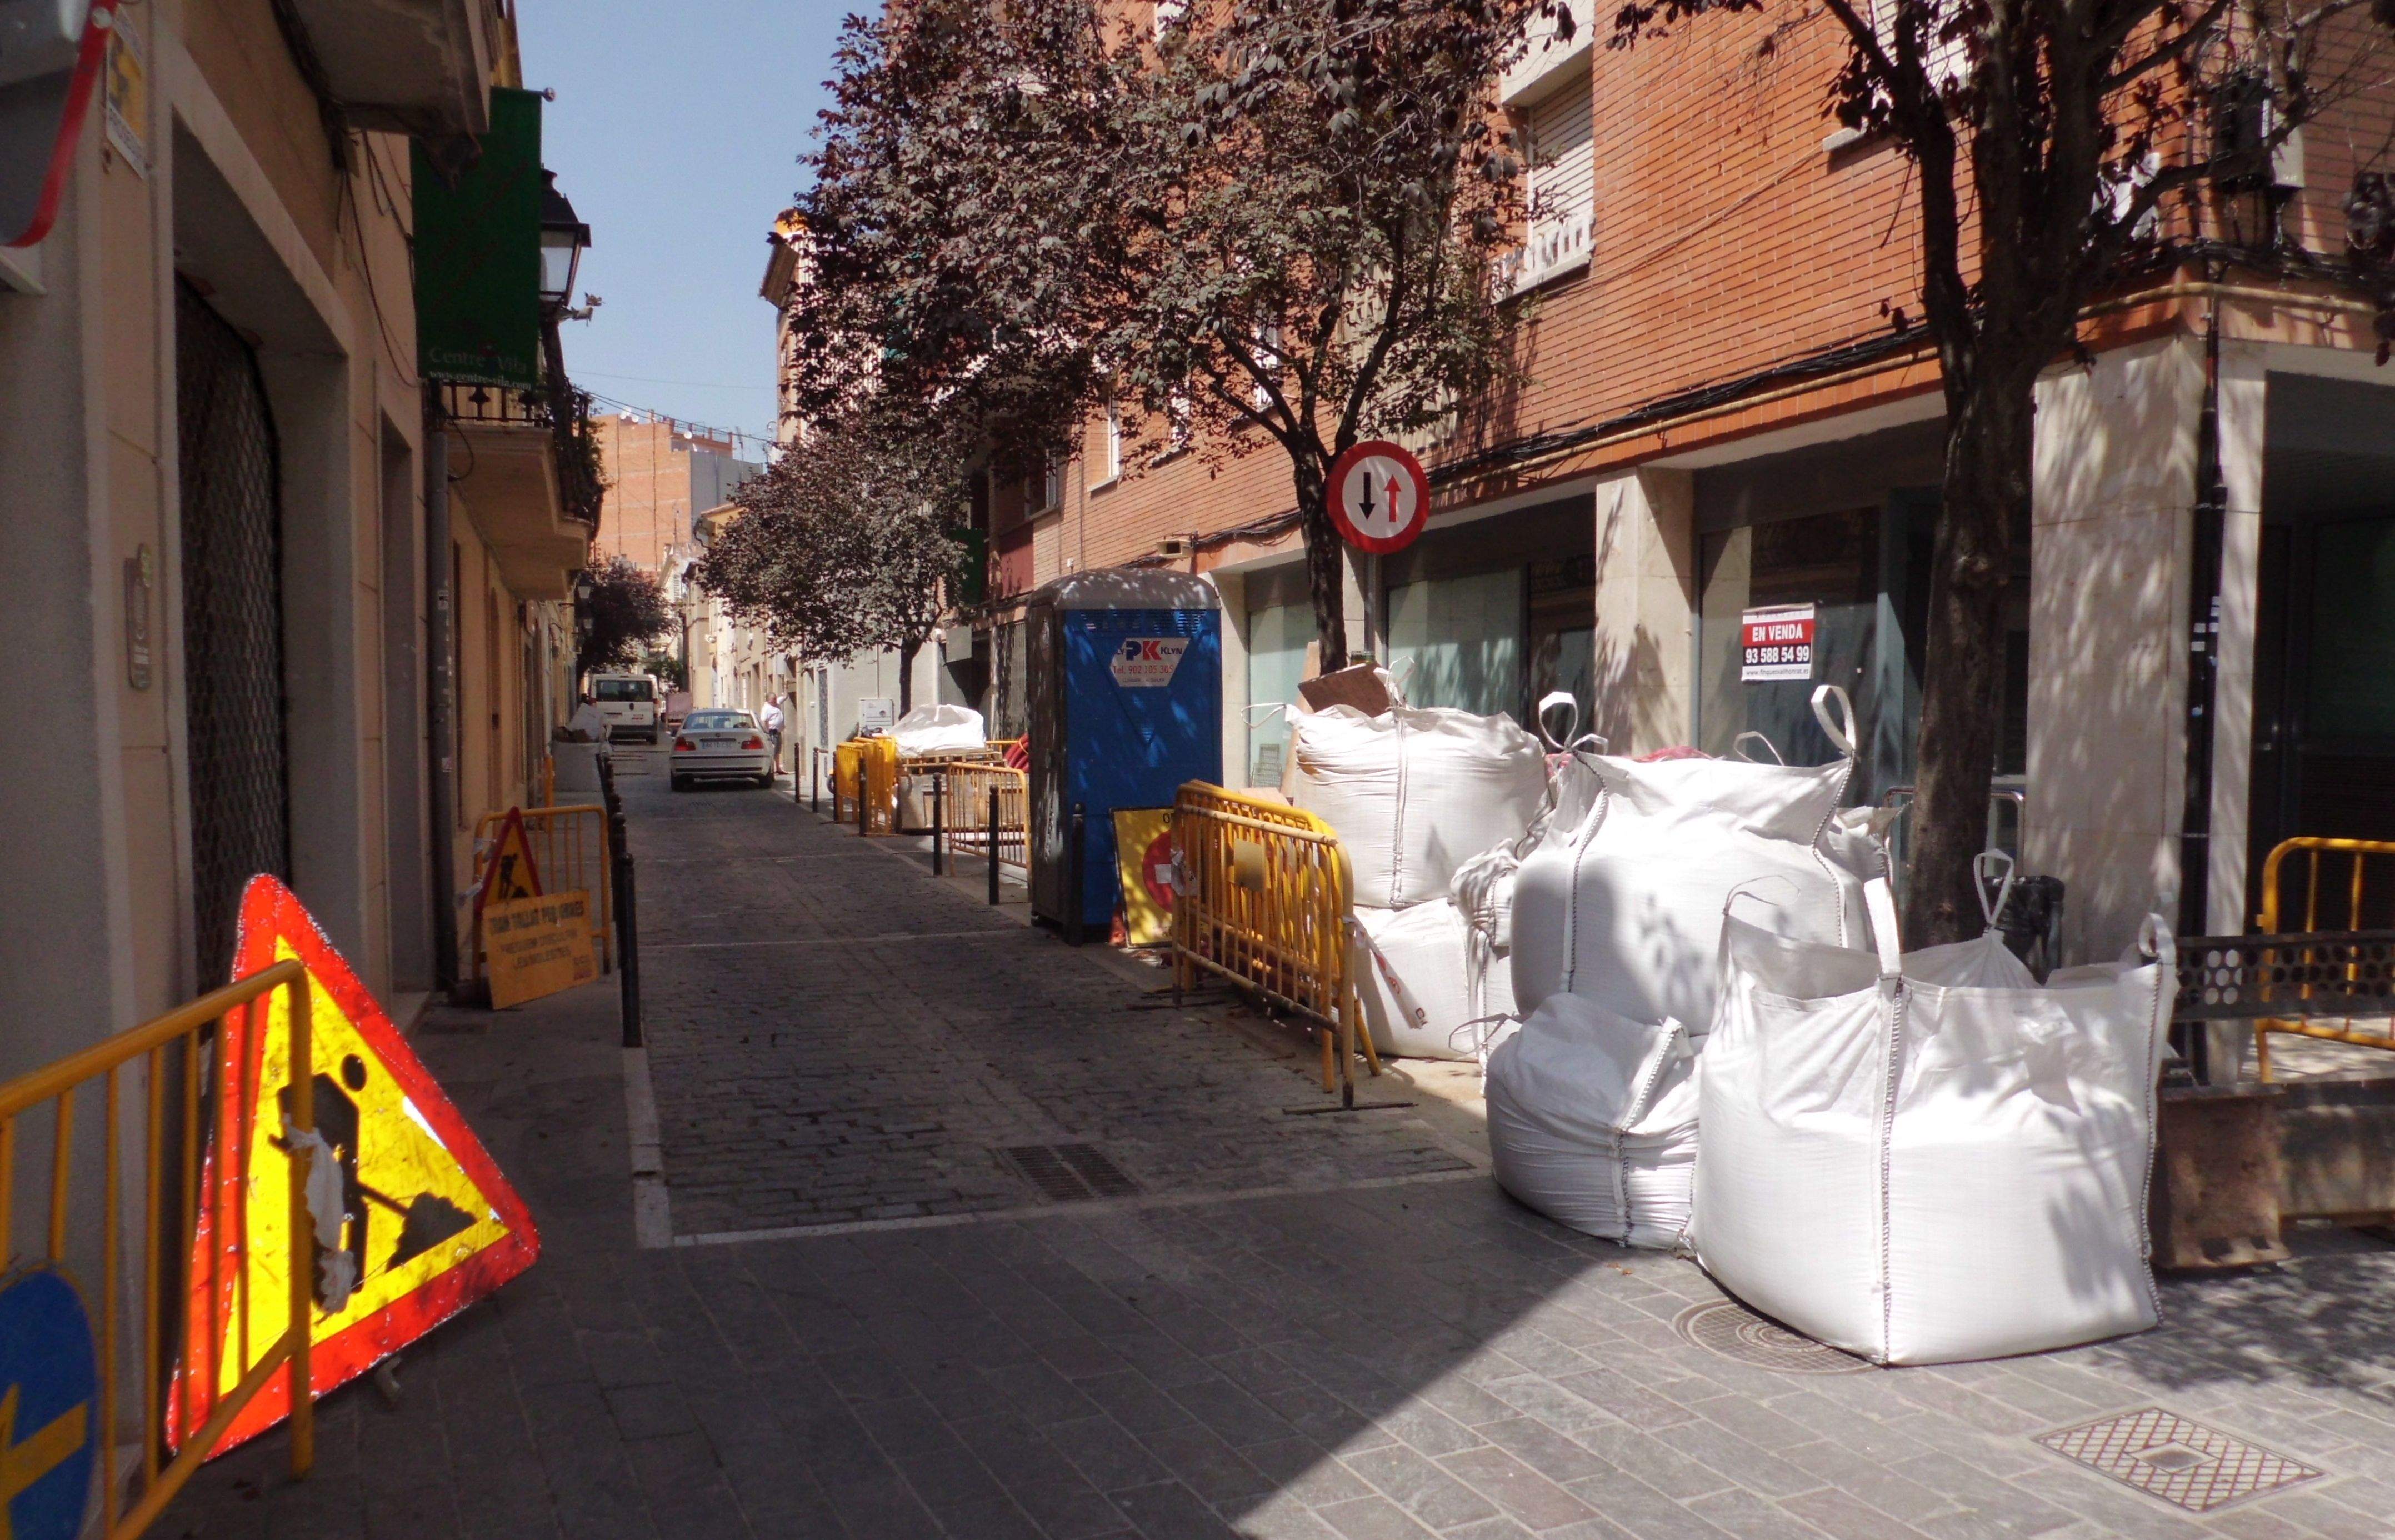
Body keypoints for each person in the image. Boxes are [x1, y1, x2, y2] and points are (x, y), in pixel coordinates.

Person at [760, 694, 786, 773]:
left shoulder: (777, 704)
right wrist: (767, 732)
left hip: (778, 732)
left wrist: (786, 687)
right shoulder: (766, 709)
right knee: (773, 751)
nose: (775, 701)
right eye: (773, 699)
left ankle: (778, 768)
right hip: (772, 732)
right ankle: (772, 769)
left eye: (775, 699)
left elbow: (785, 697)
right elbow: (764, 721)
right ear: (768, 700)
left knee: (778, 751)